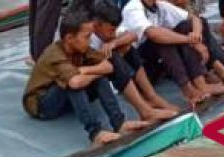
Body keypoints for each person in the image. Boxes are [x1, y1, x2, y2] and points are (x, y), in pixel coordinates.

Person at [23, 13, 146, 146]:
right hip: (43, 105)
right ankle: (95, 133)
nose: (90, 41)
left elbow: (109, 66)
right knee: (76, 84)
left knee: (97, 77)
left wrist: (87, 71)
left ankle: (119, 123)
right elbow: (75, 83)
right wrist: (94, 73)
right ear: (70, 38)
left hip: (64, 96)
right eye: (87, 37)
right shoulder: (55, 55)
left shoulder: (80, 46)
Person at [120, 0, 224, 103]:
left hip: (157, 63)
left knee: (184, 26)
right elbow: (153, 34)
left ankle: (200, 84)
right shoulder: (133, 8)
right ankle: (188, 90)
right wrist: (190, 40)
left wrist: (195, 36)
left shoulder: (159, 5)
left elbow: (193, 18)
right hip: (136, 70)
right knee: (161, 38)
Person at [88, 0, 178, 121]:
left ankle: (152, 97)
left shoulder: (110, 30)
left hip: (108, 70)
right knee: (115, 58)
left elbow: (132, 35)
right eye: (111, 30)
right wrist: (114, 54)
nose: (113, 33)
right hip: (90, 81)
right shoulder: (87, 37)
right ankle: (144, 111)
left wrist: (114, 43)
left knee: (128, 48)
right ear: (96, 25)